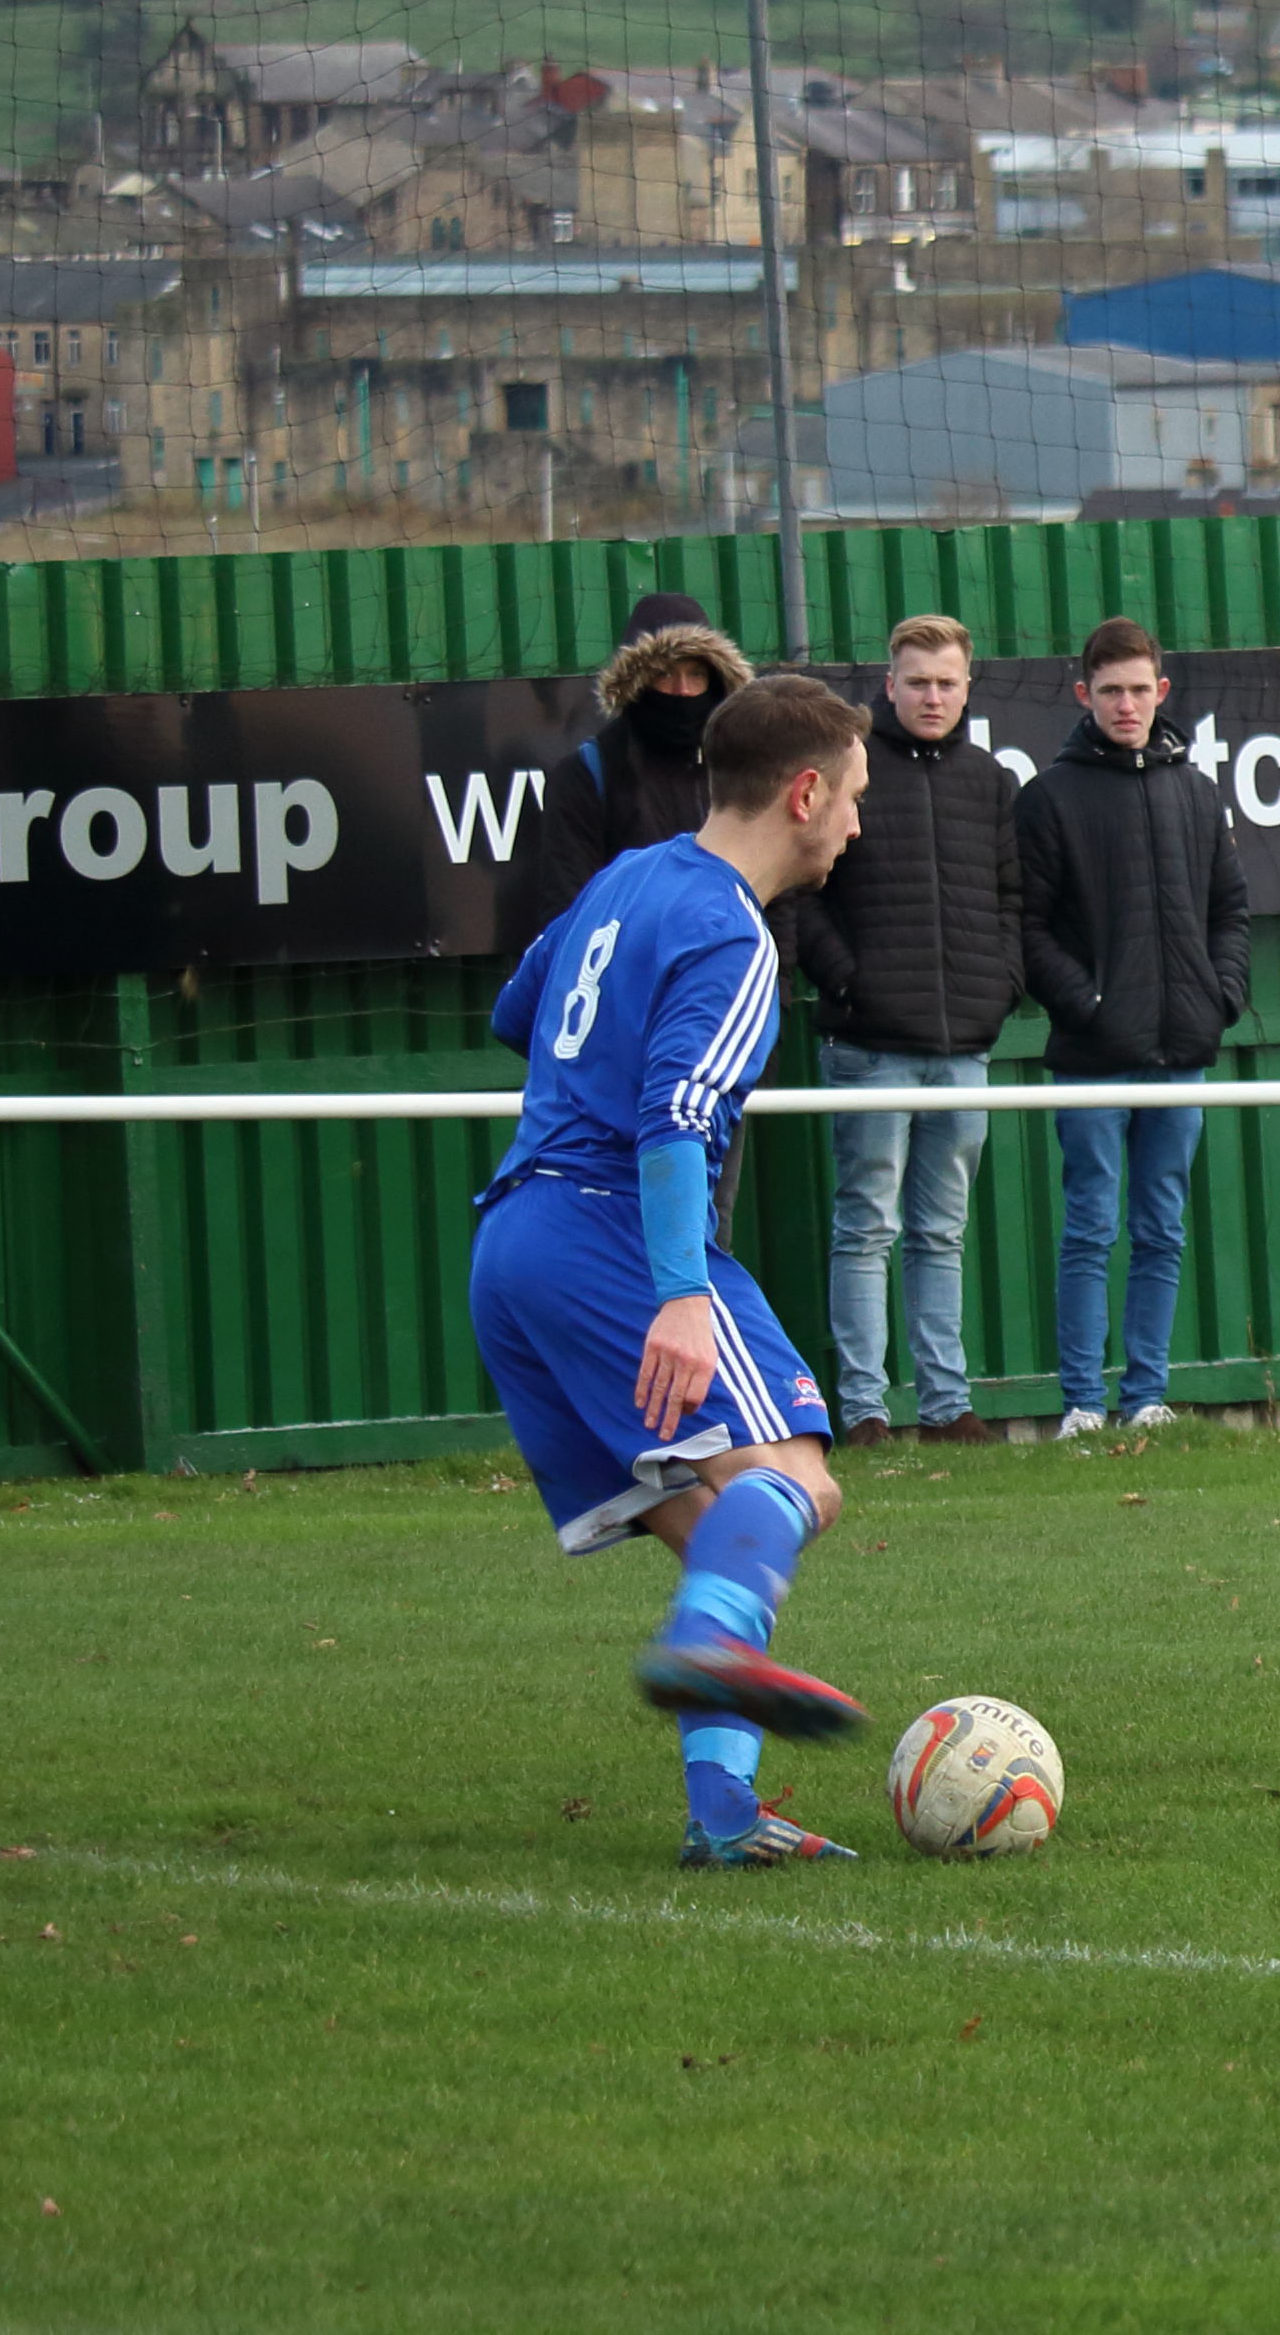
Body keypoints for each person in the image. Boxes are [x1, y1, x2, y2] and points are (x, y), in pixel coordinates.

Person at [469, 671, 878, 1869]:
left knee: (711, 1533)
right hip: (611, 1229)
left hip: (513, 1243)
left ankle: (724, 1819)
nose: (858, 823)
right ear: (803, 792)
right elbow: (671, 1122)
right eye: (853, 797)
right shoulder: (733, 932)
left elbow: (514, 1008)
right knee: (799, 1472)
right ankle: (709, 1648)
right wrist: (682, 1293)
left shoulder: (622, 879)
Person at [782, 612, 1022, 1447]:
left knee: (941, 1232)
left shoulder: (992, 783)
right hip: (869, 1045)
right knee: (865, 1226)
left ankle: (947, 1406)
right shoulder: (849, 770)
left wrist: (1001, 987)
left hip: (964, 1048)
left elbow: (1011, 901)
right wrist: (850, 979)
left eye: (946, 682)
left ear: (967, 687)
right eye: (916, 681)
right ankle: (866, 1412)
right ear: (889, 684)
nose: (931, 695)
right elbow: (799, 892)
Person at [1017, 617, 1251, 1436]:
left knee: (1161, 1230)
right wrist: (1088, 1006)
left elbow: (1230, 910)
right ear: (1084, 695)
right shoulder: (1048, 798)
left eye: (1138, 689)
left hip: (1181, 1052)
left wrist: (1218, 995)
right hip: (1091, 1059)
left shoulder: (1196, 791)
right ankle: (1081, 1404)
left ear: (1163, 691)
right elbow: (1029, 927)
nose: (1126, 704)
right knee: (1090, 1228)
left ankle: (1145, 1397)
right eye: (1109, 690)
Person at [505, 592, 752, 957]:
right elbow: (567, 904)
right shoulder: (588, 774)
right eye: (665, 674)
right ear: (637, 680)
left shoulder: (738, 766)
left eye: (696, 674)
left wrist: (773, 988)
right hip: (626, 991)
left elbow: (774, 887)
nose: (682, 690)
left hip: (729, 985)